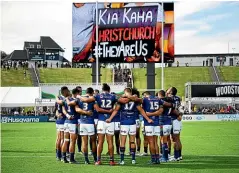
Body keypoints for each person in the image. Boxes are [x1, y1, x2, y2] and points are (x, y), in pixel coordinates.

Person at [106, 88, 153, 165]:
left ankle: (122, 160)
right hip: (132, 122)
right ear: (131, 92)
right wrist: (148, 119)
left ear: (125, 93)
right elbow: (141, 110)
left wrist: (110, 118)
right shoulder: (135, 100)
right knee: (132, 141)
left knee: (123, 142)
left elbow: (116, 110)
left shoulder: (121, 100)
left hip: (124, 123)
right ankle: (133, 159)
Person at [75, 87, 96, 164]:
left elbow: (77, 109)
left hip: (82, 122)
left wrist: (84, 112)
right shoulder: (92, 99)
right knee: (93, 141)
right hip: (90, 122)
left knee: (85, 142)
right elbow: (96, 108)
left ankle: (86, 160)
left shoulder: (79, 99)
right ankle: (95, 158)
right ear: (92, 92)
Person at [142, 91, 164, 164]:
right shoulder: (158, 99)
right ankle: (157, 159)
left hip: (149, 123)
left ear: (145, 95)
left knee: (151, 141)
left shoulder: (145, 99)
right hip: (157, 122)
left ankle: (153, 159)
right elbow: (162, 108)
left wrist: (149, 114)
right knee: (155, 141)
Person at [61, 89, 79, 163]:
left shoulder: (65, 100)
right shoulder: (75, 100)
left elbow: (63, 110)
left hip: (66, 122)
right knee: (72, 141)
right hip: (73, 122)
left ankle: (63, 158)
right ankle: (71, 159)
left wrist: (67, 115)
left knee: (66, 141)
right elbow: (77, 109)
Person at [167, 87, 183, 161]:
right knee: (178, 139)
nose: (167, 90)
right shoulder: (178, 98)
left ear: (170, 92)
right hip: (178, 120)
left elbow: (172, 109)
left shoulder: (169, 98)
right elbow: (181, 108)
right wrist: (180, 115)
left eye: (168, 89)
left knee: (173, 139)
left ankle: (176, 156)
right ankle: (179, 155)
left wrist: (178, 115)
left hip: (173, 119)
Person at [55, 86, 69, 161]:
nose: (68, 92)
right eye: (67, 91)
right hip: (63, 120)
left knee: (58, 138)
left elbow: (57, 109)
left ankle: (58, 155)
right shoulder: (65, 99)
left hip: (58, 120)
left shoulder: (58, 98)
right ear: (64, 91)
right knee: (62, 139)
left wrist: (57, 114)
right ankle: (61, 155)